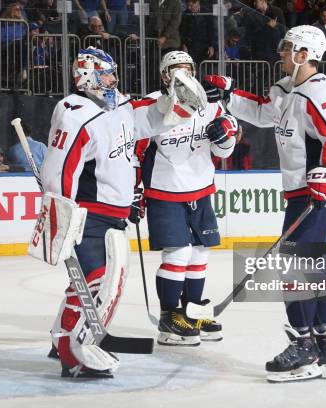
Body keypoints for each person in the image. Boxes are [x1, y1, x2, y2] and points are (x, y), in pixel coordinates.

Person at [203, 25, 326, 382]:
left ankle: (304, 349)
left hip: (322, 189)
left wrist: (325, 173)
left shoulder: (321, 90)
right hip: (306, 189)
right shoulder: (286, 89)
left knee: (296, 267)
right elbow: (263, 112)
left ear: (305, 54)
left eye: (287, 48)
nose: (281, 52)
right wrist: (228, 95)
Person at [40, 47, 208, 378]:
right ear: (86, 75)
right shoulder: (74, 112)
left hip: (112, 214)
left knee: (97, 282)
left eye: (113, 73)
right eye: (106, 74)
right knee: (95, 281)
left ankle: (64, 336)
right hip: (87, 214)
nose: (113, 80)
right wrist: (62, 214)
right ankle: (72, 352)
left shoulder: (118, 108)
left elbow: (153, 118)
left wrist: (178, 103)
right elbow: (58, 171)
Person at [134, 51, 237, 346]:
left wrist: (226, 135)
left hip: (201, 188)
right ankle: (170, 318)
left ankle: (191, 311)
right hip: (165, 190)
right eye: (177, 71)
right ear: (166, 75)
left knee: (200, 253)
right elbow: (136, 151)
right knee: (177, 253)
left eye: (188, 70)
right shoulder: (152, 105)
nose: (184, 76)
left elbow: (223, 151)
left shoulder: (209, 104)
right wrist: (134, 190)